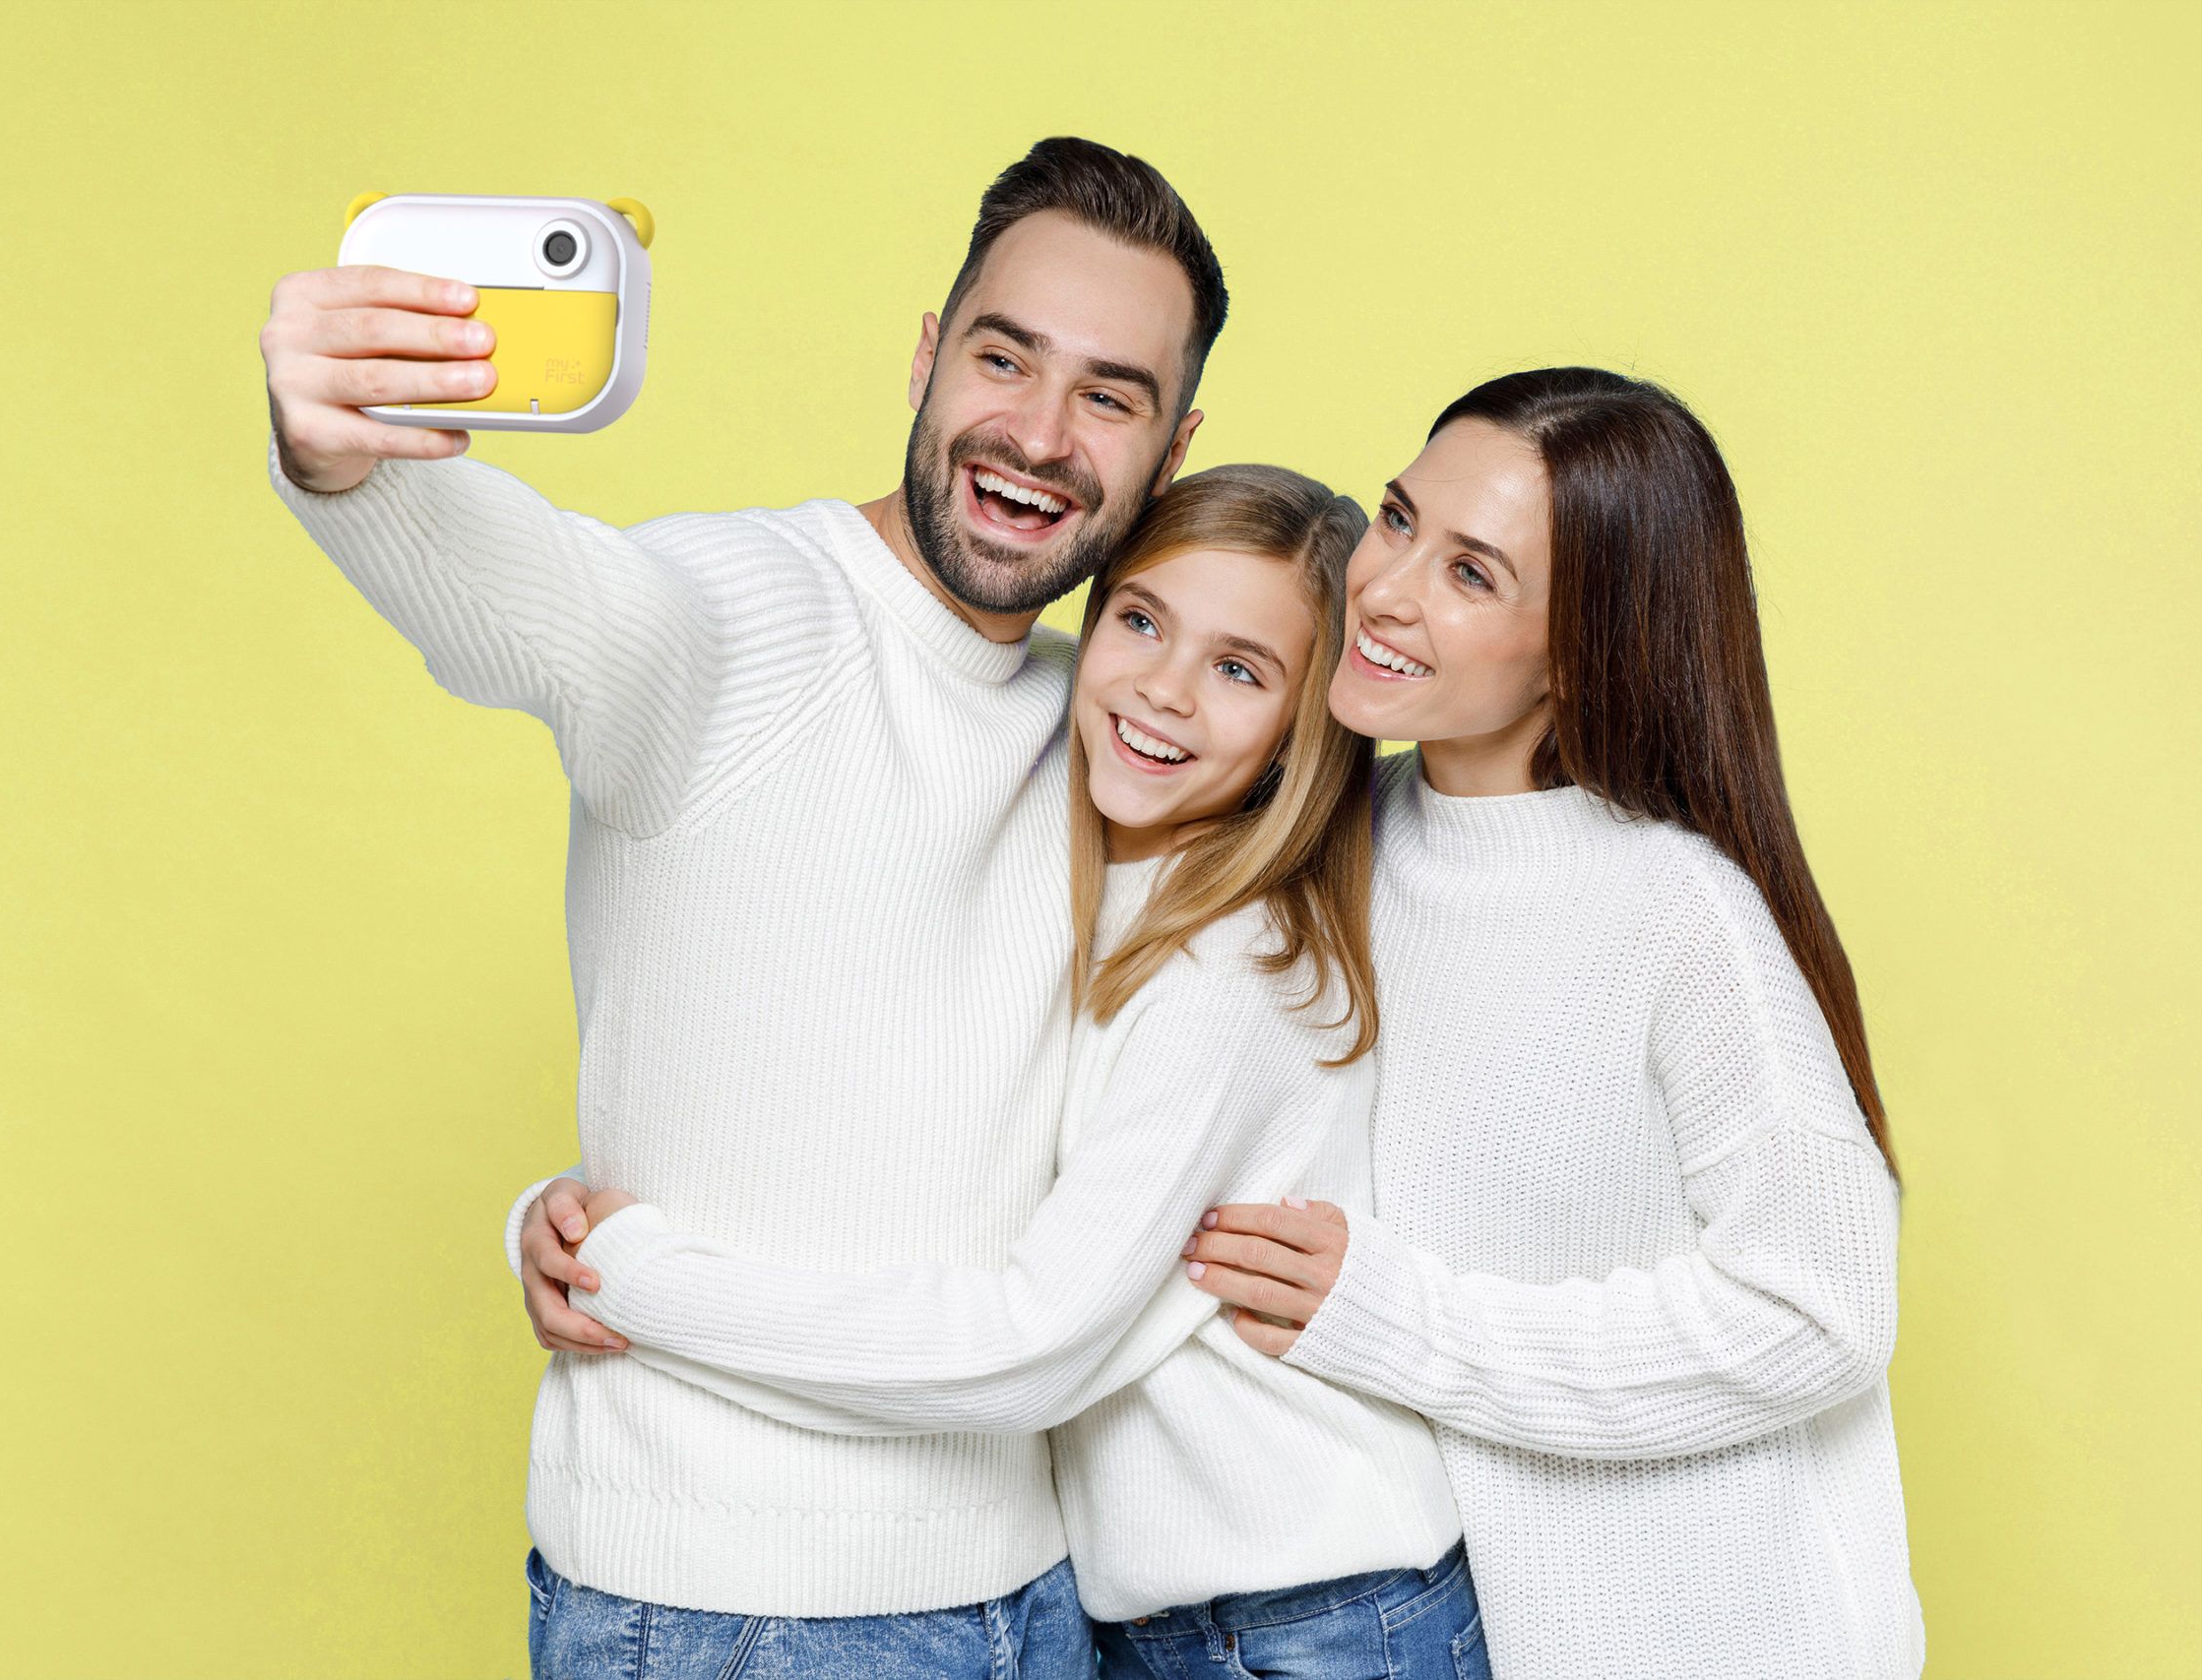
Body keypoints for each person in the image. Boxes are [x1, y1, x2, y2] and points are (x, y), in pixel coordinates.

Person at [260, 137, 1222, 1675]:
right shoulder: (731, 615)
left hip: (1040, 1593)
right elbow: (547, 601)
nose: (1038, 435)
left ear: (1173, 446)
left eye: (1109, 394)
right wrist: (338, 456)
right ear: (926, 357)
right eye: (1003, 356)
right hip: (731, 1612)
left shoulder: (1118, 725)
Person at [547, 465, 1485, 1677]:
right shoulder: (1095, 863)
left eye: (1240, 670)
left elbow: (1027, 1344)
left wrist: (628, 1279)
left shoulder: (1232, 969)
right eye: (1141, 621)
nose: (1163, 690)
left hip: (1311, 1617)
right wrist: (559, 1208)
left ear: (1304, 732)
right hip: (1161, 1610)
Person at [1180, 368, 1924, 1678]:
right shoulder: (1335, 836)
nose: (1391, 587)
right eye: (1402, 519)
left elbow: (1824, 1310)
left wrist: (1411, 1321)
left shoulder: (1675, 908)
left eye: (1473, 574)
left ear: (1579, 649)